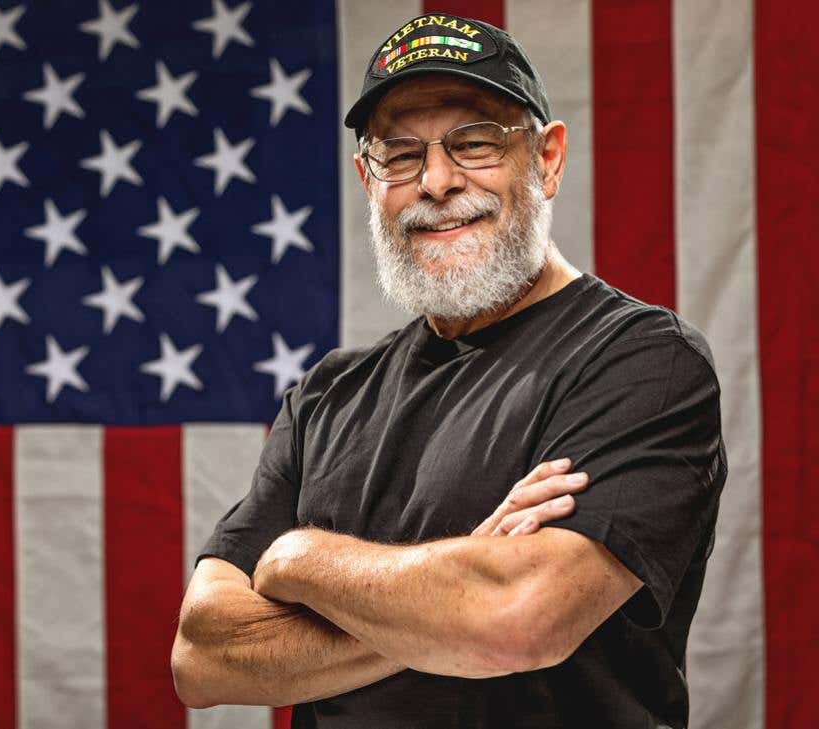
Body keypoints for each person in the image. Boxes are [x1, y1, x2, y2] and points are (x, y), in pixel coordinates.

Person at [171, 13, 726, 729]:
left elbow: (519, 620)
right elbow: (202, 655)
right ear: (367, 180)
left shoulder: (641, 361)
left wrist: (300, 557)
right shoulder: (327, 396)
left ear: (548, 159)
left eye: (474, 142)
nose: (435, 181)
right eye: (399, 154)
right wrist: (453, 599)